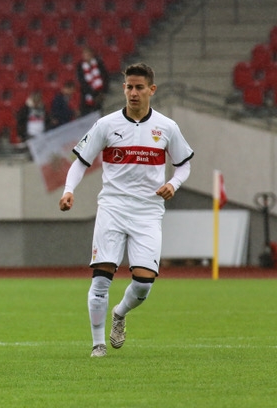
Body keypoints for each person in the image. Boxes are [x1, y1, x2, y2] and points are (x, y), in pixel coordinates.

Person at [58, 63, 194, 358]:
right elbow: (81, 162)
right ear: (124, 89)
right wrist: (69, 190)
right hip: (113, 207)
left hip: (148, 211)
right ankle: (98, 345)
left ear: (151, 90)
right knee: (101, 278)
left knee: (144, 284)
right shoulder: (106, 125)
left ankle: (119, 313)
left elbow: (184, 165)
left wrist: (173, 184)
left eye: (139, 87)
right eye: (129, 87)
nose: (133, 92)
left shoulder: (167, 127)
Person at [76, 46, 110, 116]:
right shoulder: (80, 66)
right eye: (85, 54)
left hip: (101, 92)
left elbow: (105, 76)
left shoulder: (99, 63)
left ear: (92, 54)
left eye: (88, 54)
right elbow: (82, 82)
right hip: (89, 94)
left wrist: (103, 91)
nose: (87, 56)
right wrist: (94, 94)